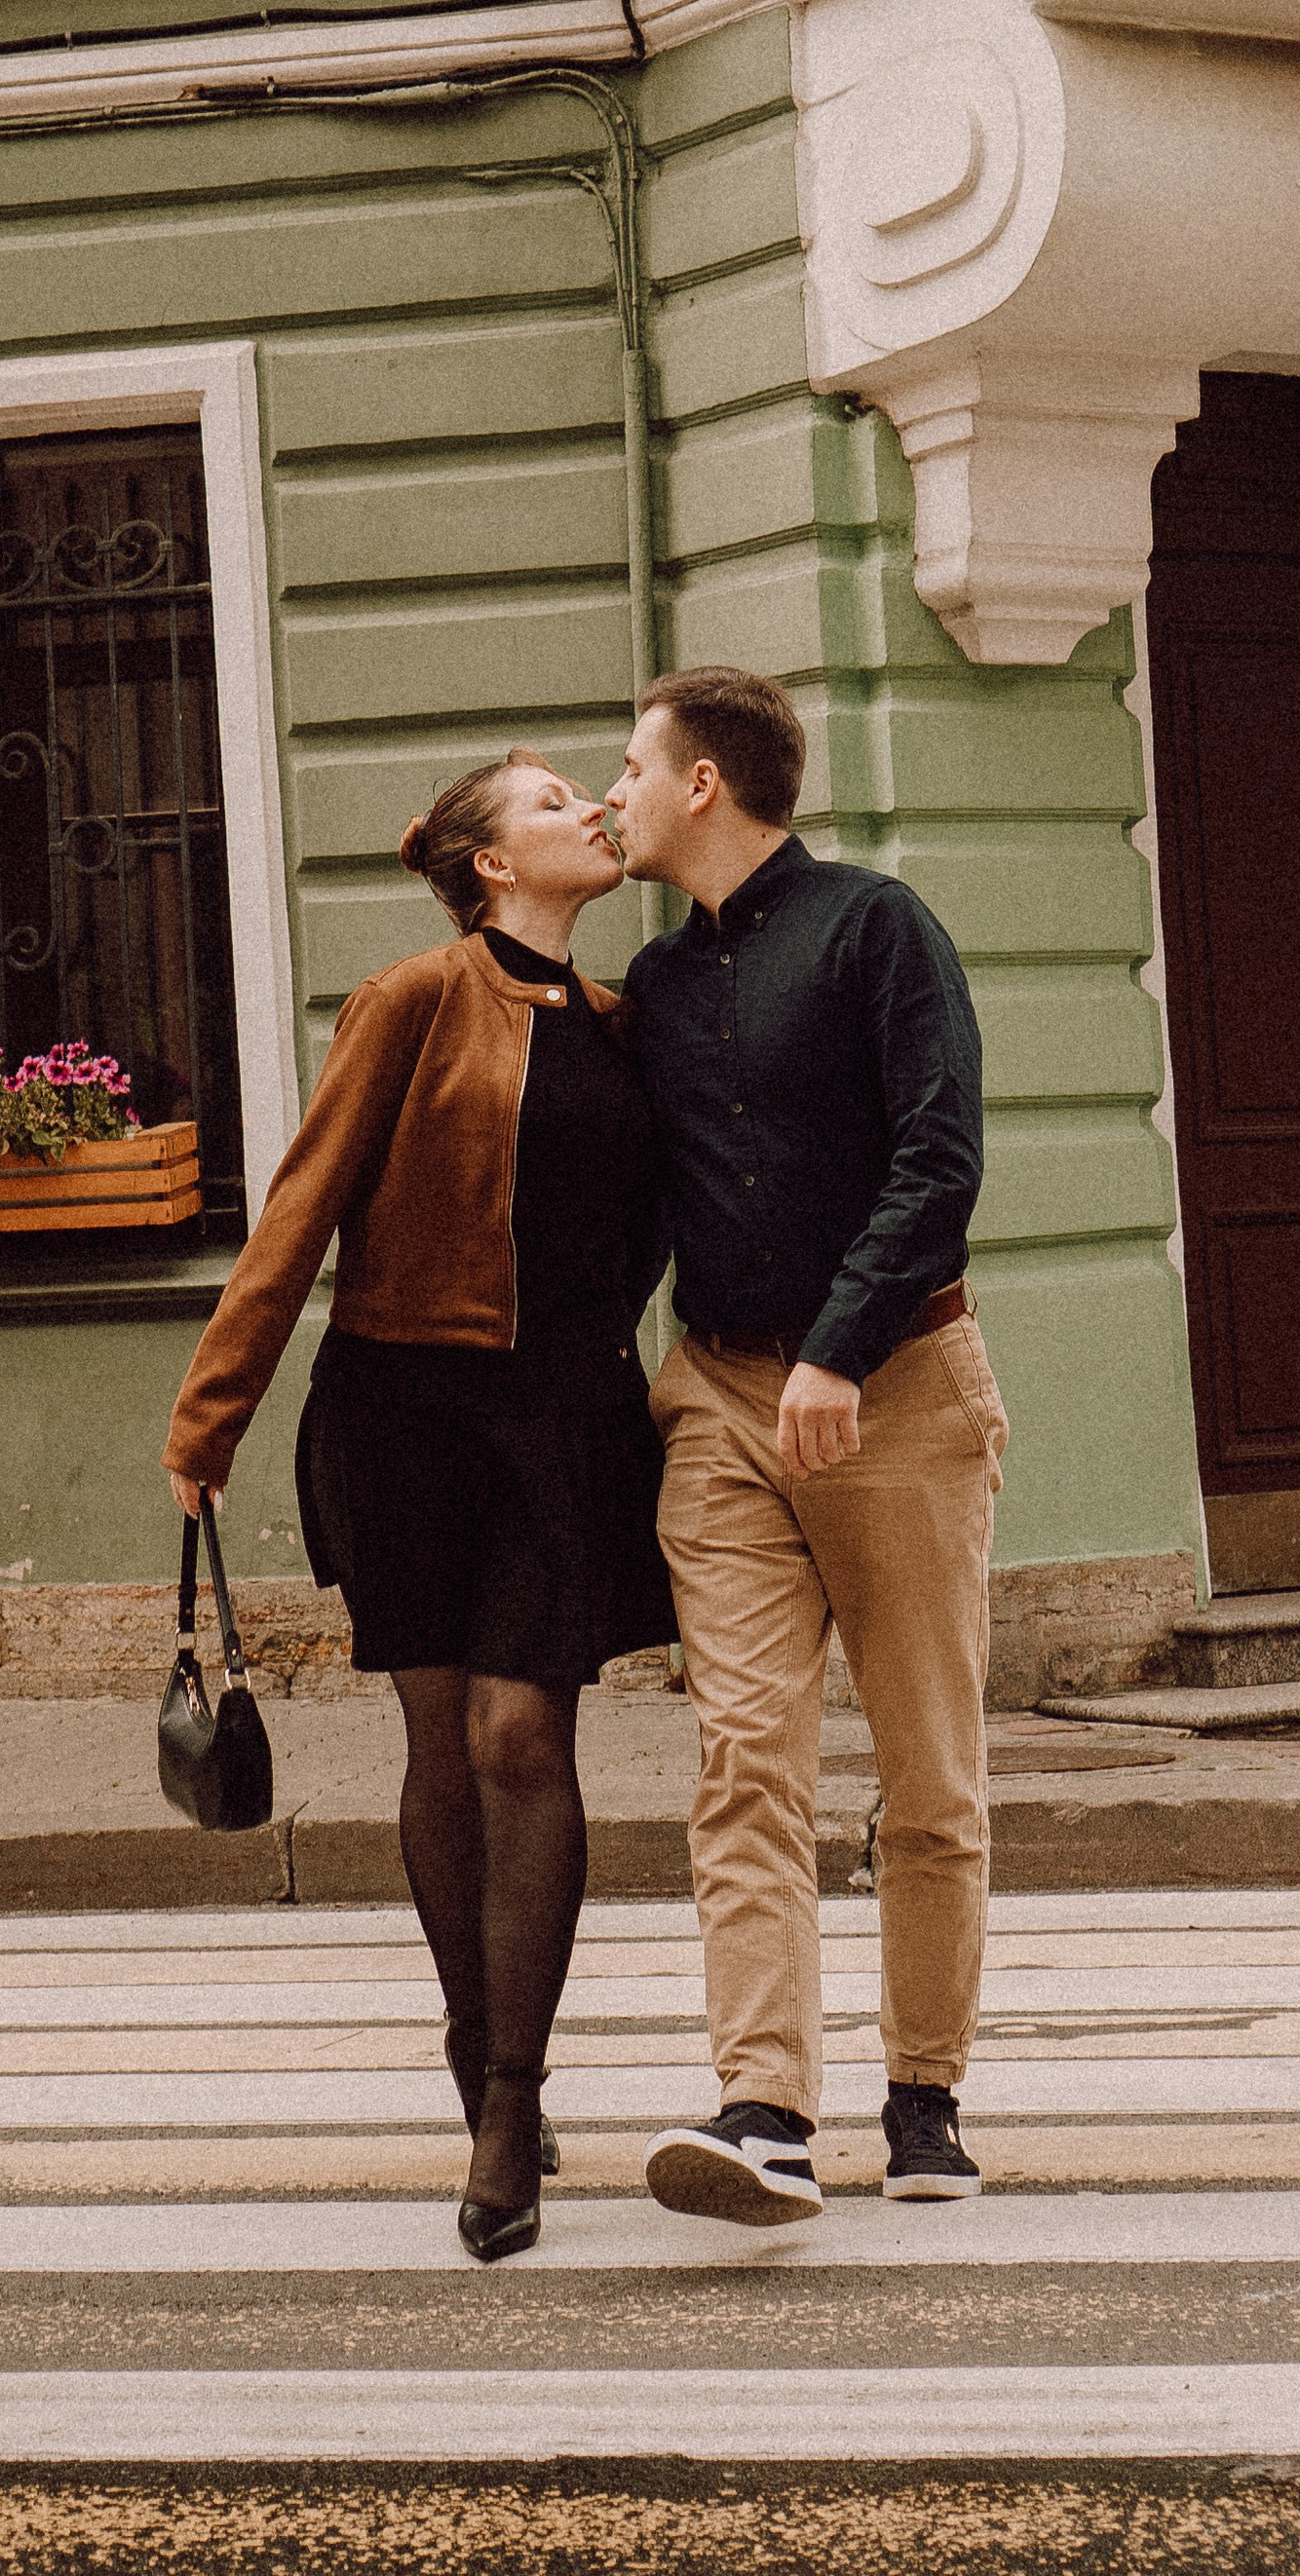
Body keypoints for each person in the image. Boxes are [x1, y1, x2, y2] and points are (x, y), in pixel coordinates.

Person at [162, 750, 673, 2262]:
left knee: (523, 1733)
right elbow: (303, 1204)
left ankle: (510, 2097)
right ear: (488, 862)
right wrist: (212, 1411)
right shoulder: (413, 999)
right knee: (441, 1741)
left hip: (565, 1419)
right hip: (405, 1413)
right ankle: (477, 2044)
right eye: (551, 801)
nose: (589, 809)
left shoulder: (625, 1026)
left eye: (592, 790)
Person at [606, 665, 1000, 2226]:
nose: (614, 789)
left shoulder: (876, 929)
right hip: (719, 1402)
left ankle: (924, 2092)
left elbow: (941, 1150)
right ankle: (765, 2104)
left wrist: (841, 1343)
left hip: (896, 1392)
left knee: (926, 1771)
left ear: (704, 782)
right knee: (744, 1756)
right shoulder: (655, 984)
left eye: (633, 764)